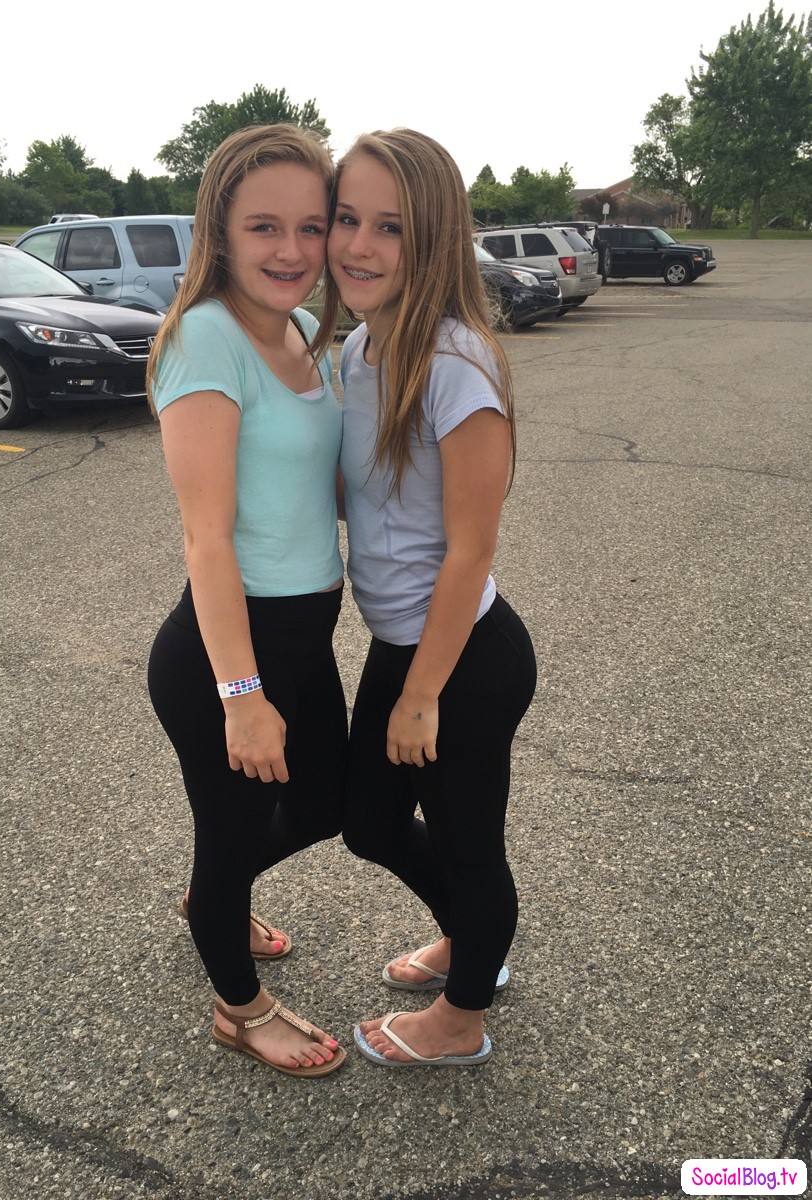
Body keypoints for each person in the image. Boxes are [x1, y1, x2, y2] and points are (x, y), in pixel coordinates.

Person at [323, 129, 538, 1067]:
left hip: (463, 658)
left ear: (436, 238)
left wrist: (421, 696)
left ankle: (462, 1019)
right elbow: (360, 495)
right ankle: (470, 940)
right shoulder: (358, 349)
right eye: (346, 219)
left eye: (391, 227)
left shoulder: (457, 363)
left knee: (468, 842)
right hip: (402, 644)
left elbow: (470, 549)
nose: (358, 246)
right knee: (368, 822)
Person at [146, 124, 347, 1078]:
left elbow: (317, 483)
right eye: (265, 226)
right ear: (220, 232)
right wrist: (242, 695)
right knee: (229, 838)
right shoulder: (205, 339)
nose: (293, 250)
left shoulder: (304, 331)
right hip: (227, 652)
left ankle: (211, 898)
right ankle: (240, 1008)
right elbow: (207, 538)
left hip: (308, 636)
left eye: (312, 226)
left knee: (328, 800)